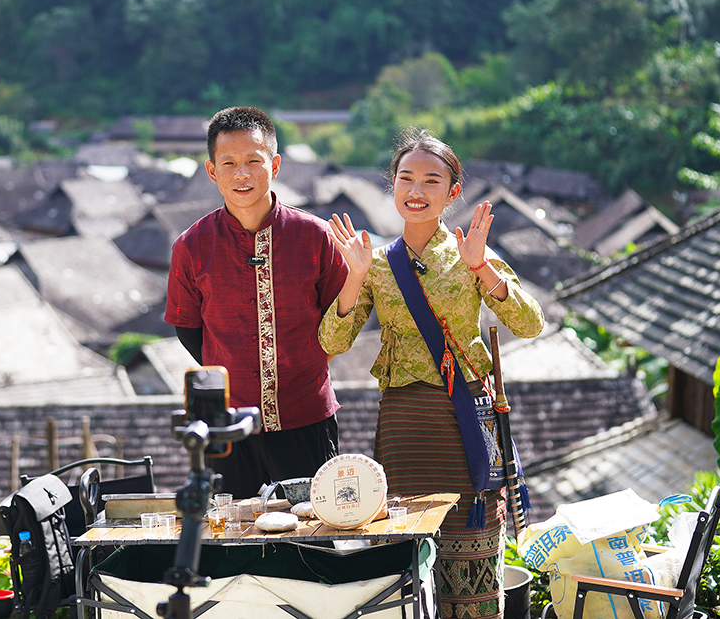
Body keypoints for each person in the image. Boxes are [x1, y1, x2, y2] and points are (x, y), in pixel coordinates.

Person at [319, 127, 544, 619]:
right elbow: (331, 342)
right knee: (404, 548)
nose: (416, 191)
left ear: (453, 192)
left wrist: (483, 268)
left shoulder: (471, 254)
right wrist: (353, 278)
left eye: (431, 180)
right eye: (405, 178)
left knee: (473, 542)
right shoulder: (375, 264)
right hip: (404, 423)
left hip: (464, 417)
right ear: (393, 185)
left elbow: (530, 323)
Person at [165, 106, 349, 499]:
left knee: (312, 535)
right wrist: (239, 374)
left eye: (253, 160)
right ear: (212, 171)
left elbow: (340, 322)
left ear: (276, 164)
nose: (242, 174)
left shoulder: (315, 237)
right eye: (228, 163)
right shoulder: (192, 246)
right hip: (226, 425)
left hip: (306, 415)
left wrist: (302, 366)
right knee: (231, 538)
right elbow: (187, 327)